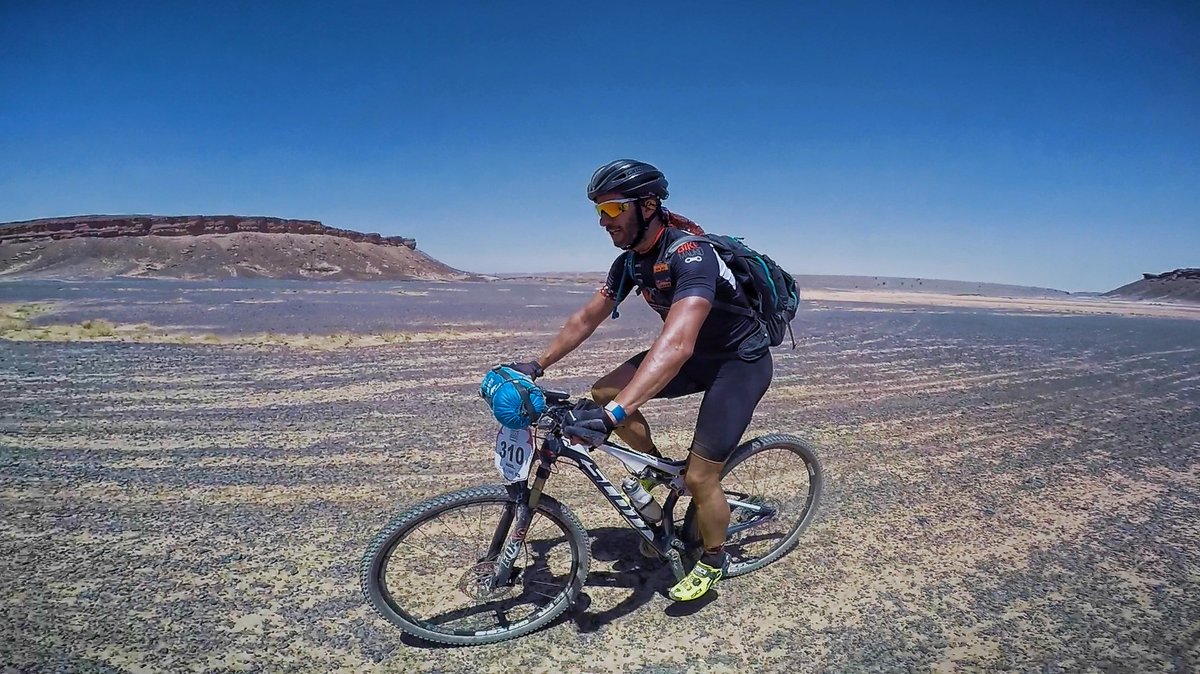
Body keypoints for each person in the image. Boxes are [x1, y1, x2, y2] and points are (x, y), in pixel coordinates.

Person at [505, 159, 774, 602]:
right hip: (694, 355)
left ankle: (713, 558)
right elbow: (586, 317)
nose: (603, 222)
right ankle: (653, 468)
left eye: (612, 210)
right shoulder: (631, 262)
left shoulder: (691, 255)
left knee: (701, 477)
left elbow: (677, 344)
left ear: (648, 206)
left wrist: (614, 415)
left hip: (738, 363)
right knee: (606, 389)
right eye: (599, 213)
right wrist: (537, 364)